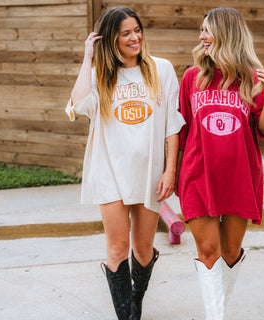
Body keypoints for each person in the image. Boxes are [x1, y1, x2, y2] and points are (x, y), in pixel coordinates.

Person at [65, 6, 185, 320]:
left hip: (149, 172)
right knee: (117, 250)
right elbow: (77, 105)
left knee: (142, 251)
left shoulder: (162, 69)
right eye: (125, 33)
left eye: (137, 30)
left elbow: (172, 126)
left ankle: (135, 303)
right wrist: (88, 58)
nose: (134, 38)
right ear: (111, 40)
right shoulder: (101, 74)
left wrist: (170, 170)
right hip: (109, 171)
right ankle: (128, 316)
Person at [177, 7, 264, 320]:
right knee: (208, 251)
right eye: (201, 30)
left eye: (207, 30)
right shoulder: (191, 78)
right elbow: (181, 129)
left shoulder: (252, 78)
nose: (201, 36)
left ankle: (217, 309)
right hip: (198, 174)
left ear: (226, 34)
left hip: (239, 176)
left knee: (231, 252)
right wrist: (171, 171)